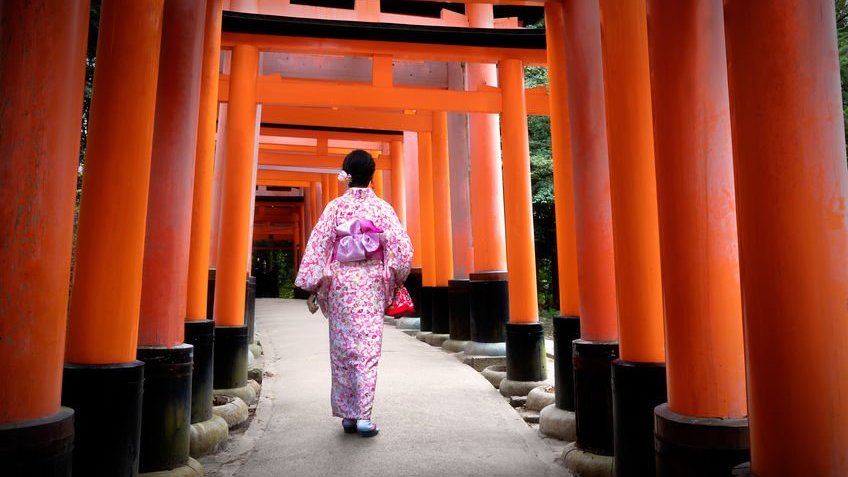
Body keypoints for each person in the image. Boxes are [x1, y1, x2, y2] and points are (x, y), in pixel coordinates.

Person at [295, 149, 413, 437]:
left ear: (346, 174)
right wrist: (396, 277)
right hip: (371, 284)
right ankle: (362, 416)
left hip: (341, 285)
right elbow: (402, 250)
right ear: (372, 176)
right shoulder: (382, 209)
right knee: (367, 350)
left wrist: (312, 285)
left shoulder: (335, 208)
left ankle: (348, 415)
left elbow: (319, 245)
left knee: (343, 350)